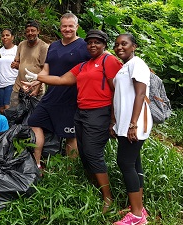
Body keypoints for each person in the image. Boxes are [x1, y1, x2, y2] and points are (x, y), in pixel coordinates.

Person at [23, 29, 123, 212]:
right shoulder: (83, 66)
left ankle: (108, 197)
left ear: (104, 45)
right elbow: (61, 79)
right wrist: (37, 77)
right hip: (81, 112)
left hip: (99, 112)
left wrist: (114, 118)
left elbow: (118, 88)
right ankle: (94, 186)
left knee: (93, 153)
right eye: (90, 42)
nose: (93, 45)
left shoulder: (108, 61)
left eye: (97, 42)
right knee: (84, 153)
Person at [26, 13, 91, 168]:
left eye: (70, 26)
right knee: (34, 122)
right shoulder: (54, 46)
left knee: (70, 135)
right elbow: (46, 70)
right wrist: (36, 80)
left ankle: (69, 172)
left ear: (77, 27)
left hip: (71, 98)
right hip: (50, 96)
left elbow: (98, 63)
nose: (67, 29)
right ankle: (37, 165)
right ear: (60, 27)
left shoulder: (84, 46)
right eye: (64, 26)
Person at [111, 33, 152, 225]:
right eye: (117, 44)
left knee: (125, 163)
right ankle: (138, 207)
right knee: (134, 164)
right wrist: (116, 123)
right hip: (125, 124)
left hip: (134, 124)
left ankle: (136, 217)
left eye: (124, 44)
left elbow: (140, 93)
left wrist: (133, 123)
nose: (119, 47)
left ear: (133, 46)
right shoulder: (124, 67)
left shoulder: (137, 64)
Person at [9, 20, 49, 106]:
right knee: (14, 114)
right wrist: (15, 65)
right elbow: (18, 63)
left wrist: (37, 90)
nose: (30, 33)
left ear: (38, 31)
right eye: (27, 31)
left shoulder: (43, 47)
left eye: (33, 30)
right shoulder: (21, 45)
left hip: (35, 89)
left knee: (34, 117)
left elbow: (44, 70)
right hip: (19, 87)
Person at [0, 28, 18, 113]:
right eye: (3, 36)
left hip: (12, 83)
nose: (5, 37)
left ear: (12, 37)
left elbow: (25, 65)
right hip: (0, 84)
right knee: (1, 109)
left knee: (8, 107)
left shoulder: (17, 50)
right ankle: (5, 126)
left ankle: (12, 126)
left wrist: (18, 65)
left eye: (7, 35)